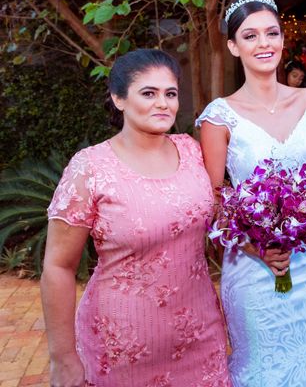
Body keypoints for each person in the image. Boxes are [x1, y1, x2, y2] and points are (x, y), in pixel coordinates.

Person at [41, 50, 230, 387]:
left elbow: (221, 214)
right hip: (122, 351)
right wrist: (63, 357)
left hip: (200, 337)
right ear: (118, 99)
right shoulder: (91, 169)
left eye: (170, 94)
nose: (163, 104)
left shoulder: (190, 149)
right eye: (148, 93)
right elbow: (58, 267)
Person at [196, 0, 306, 386]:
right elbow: (214, 198)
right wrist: (256, 246)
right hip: (252, 267)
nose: (263, 43)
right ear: (234, 46)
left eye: (272, 33)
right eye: (250, 36)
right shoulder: (219, 116)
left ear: (283, 39)